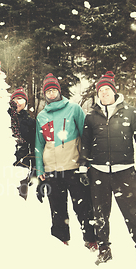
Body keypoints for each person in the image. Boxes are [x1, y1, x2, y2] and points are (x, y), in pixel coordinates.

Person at [79, 71, 136, 268]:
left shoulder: (130, 112)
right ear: (97, 95)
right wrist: (83, 167)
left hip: (124, 171)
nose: (104, 93)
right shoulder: (91, 116)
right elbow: (85, 144)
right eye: (101, 91)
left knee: (133, 212)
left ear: (114, 92)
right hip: (98, 171)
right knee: (100, 213)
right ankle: (104, 250)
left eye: (107, 90)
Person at [34, 73, 97, 249]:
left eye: (54, 90)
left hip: (74, 166)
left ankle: (91, 239)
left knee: (83, 206)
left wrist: (86, 162)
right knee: (57, 209)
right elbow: (39, 145)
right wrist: (40, 171)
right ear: (45, 94)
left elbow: (86, 136)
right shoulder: (41, 116)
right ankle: (60, 242)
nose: (52, 94)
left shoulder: (73, 109)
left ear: (59, 91)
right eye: (48, 91)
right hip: (52, 170)